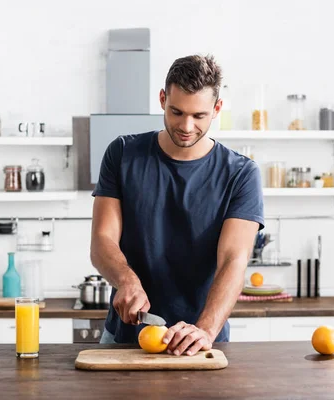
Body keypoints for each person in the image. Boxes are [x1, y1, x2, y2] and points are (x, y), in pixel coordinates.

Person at [90, 54, 264, 356]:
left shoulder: (241, 174)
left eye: (199, 116)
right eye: (176, 111)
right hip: (126, 339)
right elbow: (102, 240)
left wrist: (206, 330)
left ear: (217, 109)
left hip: (201, 342)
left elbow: (233, 260)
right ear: (162, 99)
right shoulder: (122, 153)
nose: (186, 126)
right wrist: (126, 279)